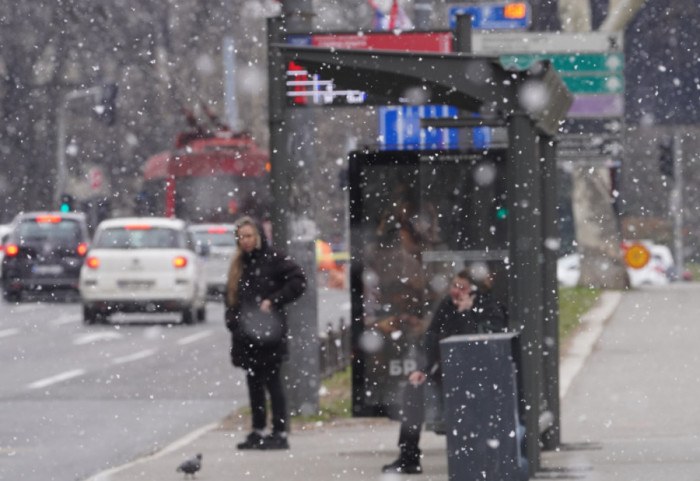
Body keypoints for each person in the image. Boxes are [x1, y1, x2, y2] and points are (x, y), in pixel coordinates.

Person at [381, 269, 507, 474]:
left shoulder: (488, 307)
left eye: (462, 287)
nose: (455, 292)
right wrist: (423, 369)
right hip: (445, 372)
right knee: (413, 392)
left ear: (474, 290)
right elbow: (432, 336)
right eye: (454, 286)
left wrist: (468, 313)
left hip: (476, 376)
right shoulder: (447, 305)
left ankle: (475, 457)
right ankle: (408, 455)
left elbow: (483, 344)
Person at [224, 216, 306, 450]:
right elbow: (231, 297)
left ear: (258, 236)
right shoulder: (239, 263)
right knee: (253, 383)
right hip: (245, 335)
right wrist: (234, 322)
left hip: (269, 333)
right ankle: (258, 430)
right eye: (241, 237)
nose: (246, 241)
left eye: (249, 236)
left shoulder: (274, 259)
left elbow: (298, 281)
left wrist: (274, 301)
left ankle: (279, 432)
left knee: (272, 383)